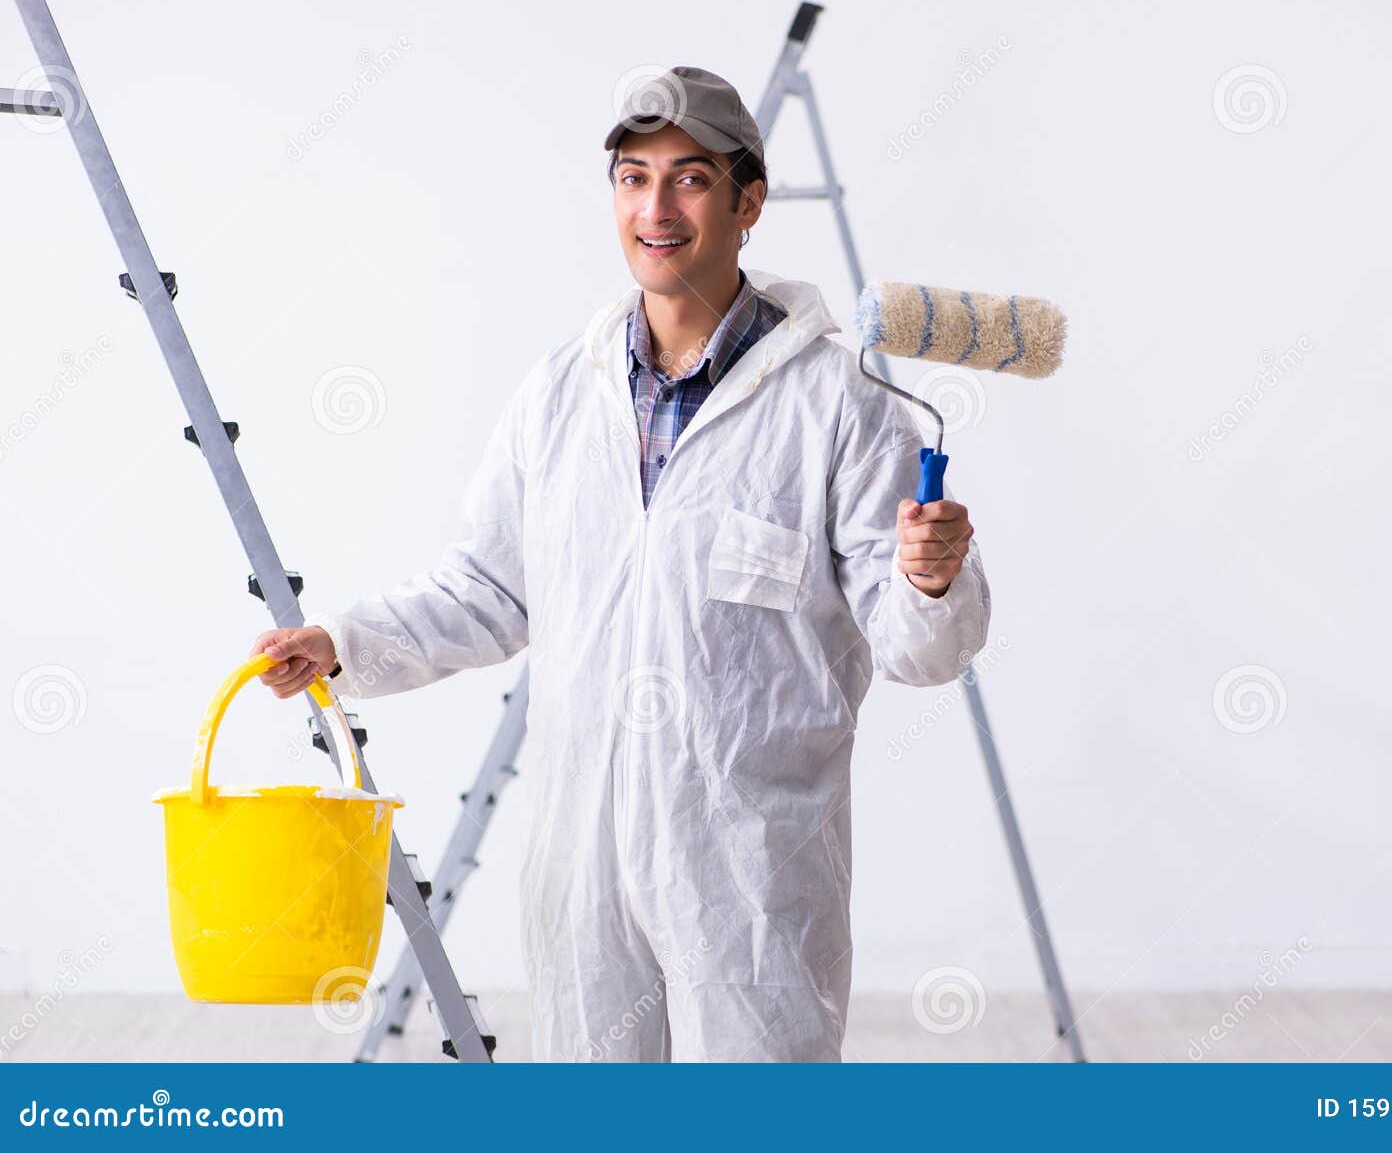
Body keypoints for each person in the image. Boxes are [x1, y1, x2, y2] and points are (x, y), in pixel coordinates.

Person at [250, 66, 990, 1061]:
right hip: (581, 854)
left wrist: (932, 576)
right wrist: (341, 641)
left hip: (752, 867)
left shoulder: (838, 408)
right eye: (632, 177)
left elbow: (915, 648)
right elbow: (487, 589)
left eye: (688, 179)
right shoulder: (563, 392)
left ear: (749, 201)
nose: (655, 208)